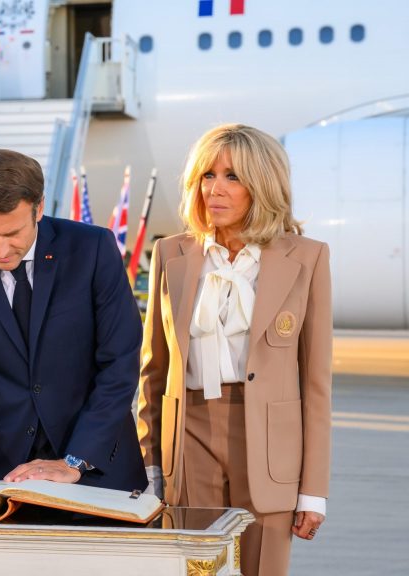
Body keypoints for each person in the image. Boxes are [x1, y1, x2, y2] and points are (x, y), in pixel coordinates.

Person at [136, 124, 330, 576]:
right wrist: (148, 465)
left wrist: (313, 490)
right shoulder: (171, 254)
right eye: (207, 175)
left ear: (262, 186)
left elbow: (317, 383)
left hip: (268, 440)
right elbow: (153, 371)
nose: (214, 190)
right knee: (194, 569)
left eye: (232, 177)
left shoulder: (307, 257)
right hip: (190, 435)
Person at [0, 149, 146, 491]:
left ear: (39, 208)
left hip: (97, 465)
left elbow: (119, 365)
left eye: (12, 233)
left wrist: (75, 460)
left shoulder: (93, 250)